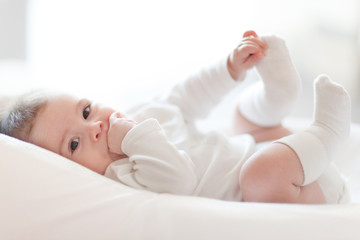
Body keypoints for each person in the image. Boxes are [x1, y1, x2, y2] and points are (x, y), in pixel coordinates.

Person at [0, 31, 351, 204]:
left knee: (240, 119)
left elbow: (188, 96)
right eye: (74, 143)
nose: (96, 128)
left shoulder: (142, 114)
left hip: (276, 148)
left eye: (87, 111)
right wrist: (134, 137)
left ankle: (277, 95)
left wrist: (228, 68)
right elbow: (180, 180)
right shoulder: (125, 176)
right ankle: (328, 131)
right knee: (259, 175)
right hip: (299, 187)